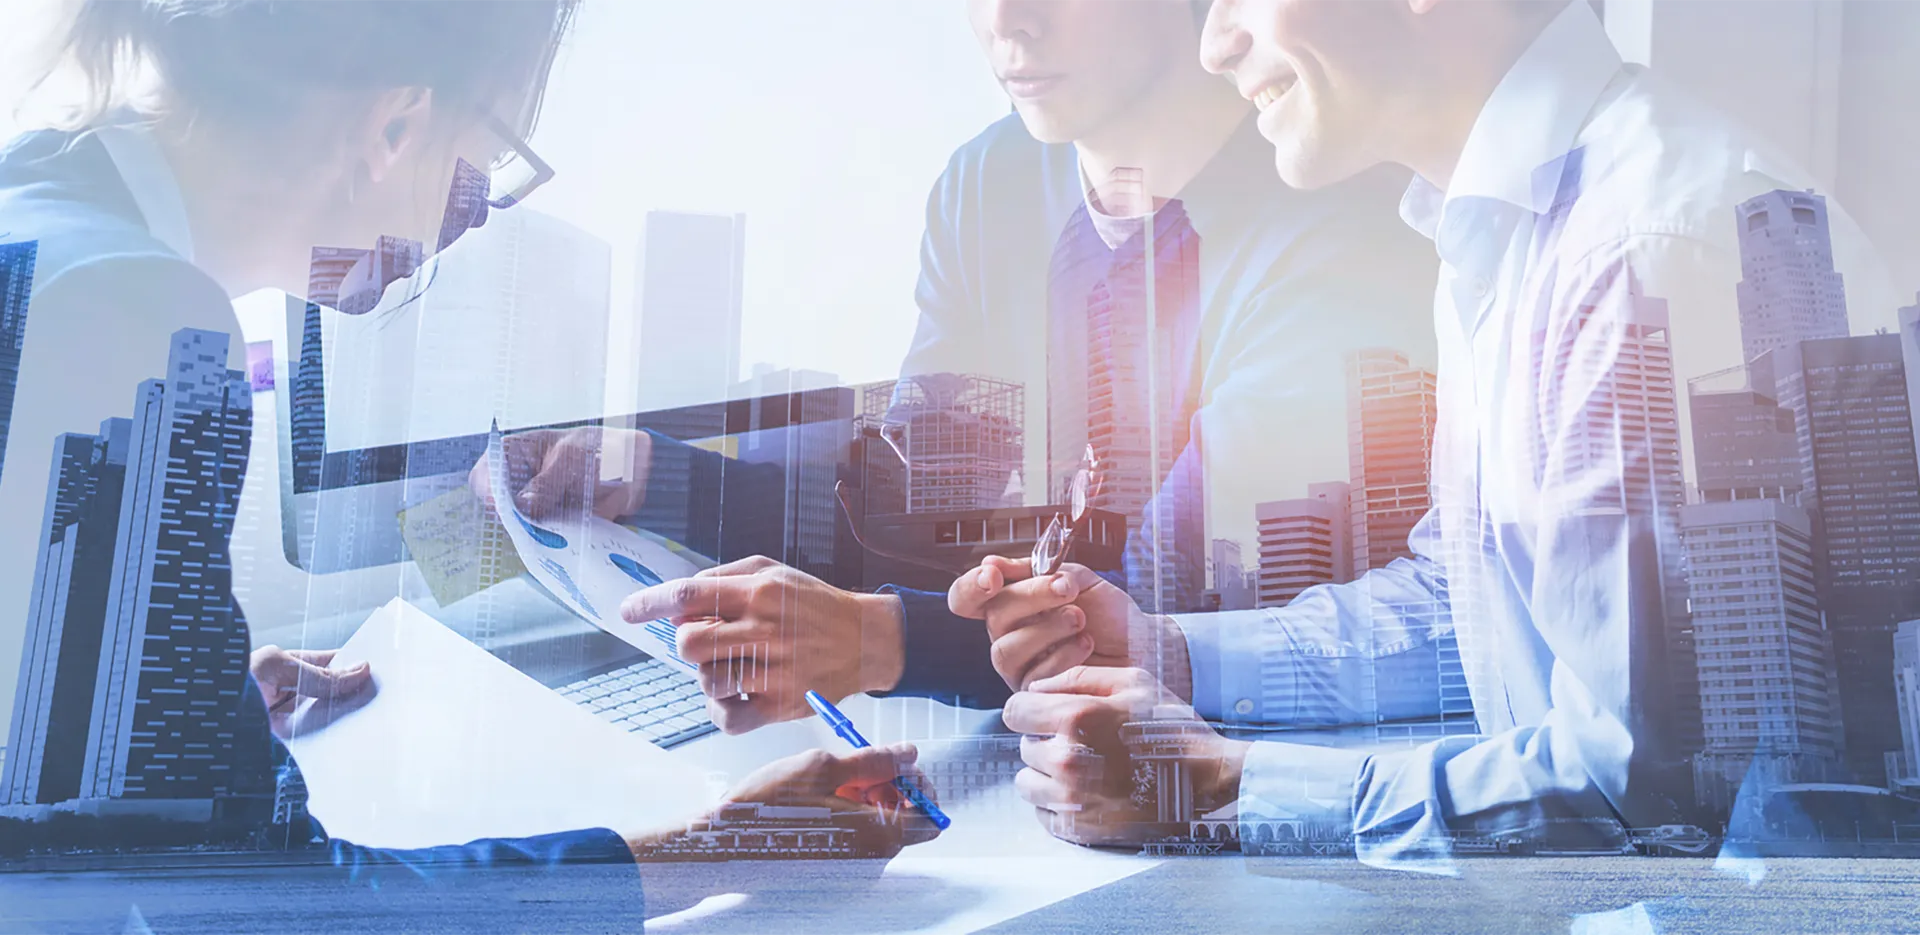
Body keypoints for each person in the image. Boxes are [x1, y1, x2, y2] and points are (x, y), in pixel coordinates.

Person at [0, 0, 937, 923]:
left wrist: (185, 712)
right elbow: (263, 906)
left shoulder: (40, 212)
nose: (478, 213)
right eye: (487, 159)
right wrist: (726, 844)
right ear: (395, 126)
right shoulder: (129, 312)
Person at [959, 0, 1901, 864]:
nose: (1215, 44)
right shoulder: (1514, 230)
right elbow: (1483, 607)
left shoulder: (1640, 253)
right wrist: (1172, 651)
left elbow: (1651, 783)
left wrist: (1224, 786)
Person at [509, 0, 1438, 736]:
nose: (1005, 22)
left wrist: (877, 640)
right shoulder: (991, 182)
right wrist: (655, 478)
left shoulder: (1335, 221)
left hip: (1273, 733)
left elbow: (1159, 604)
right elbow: (914, 513)